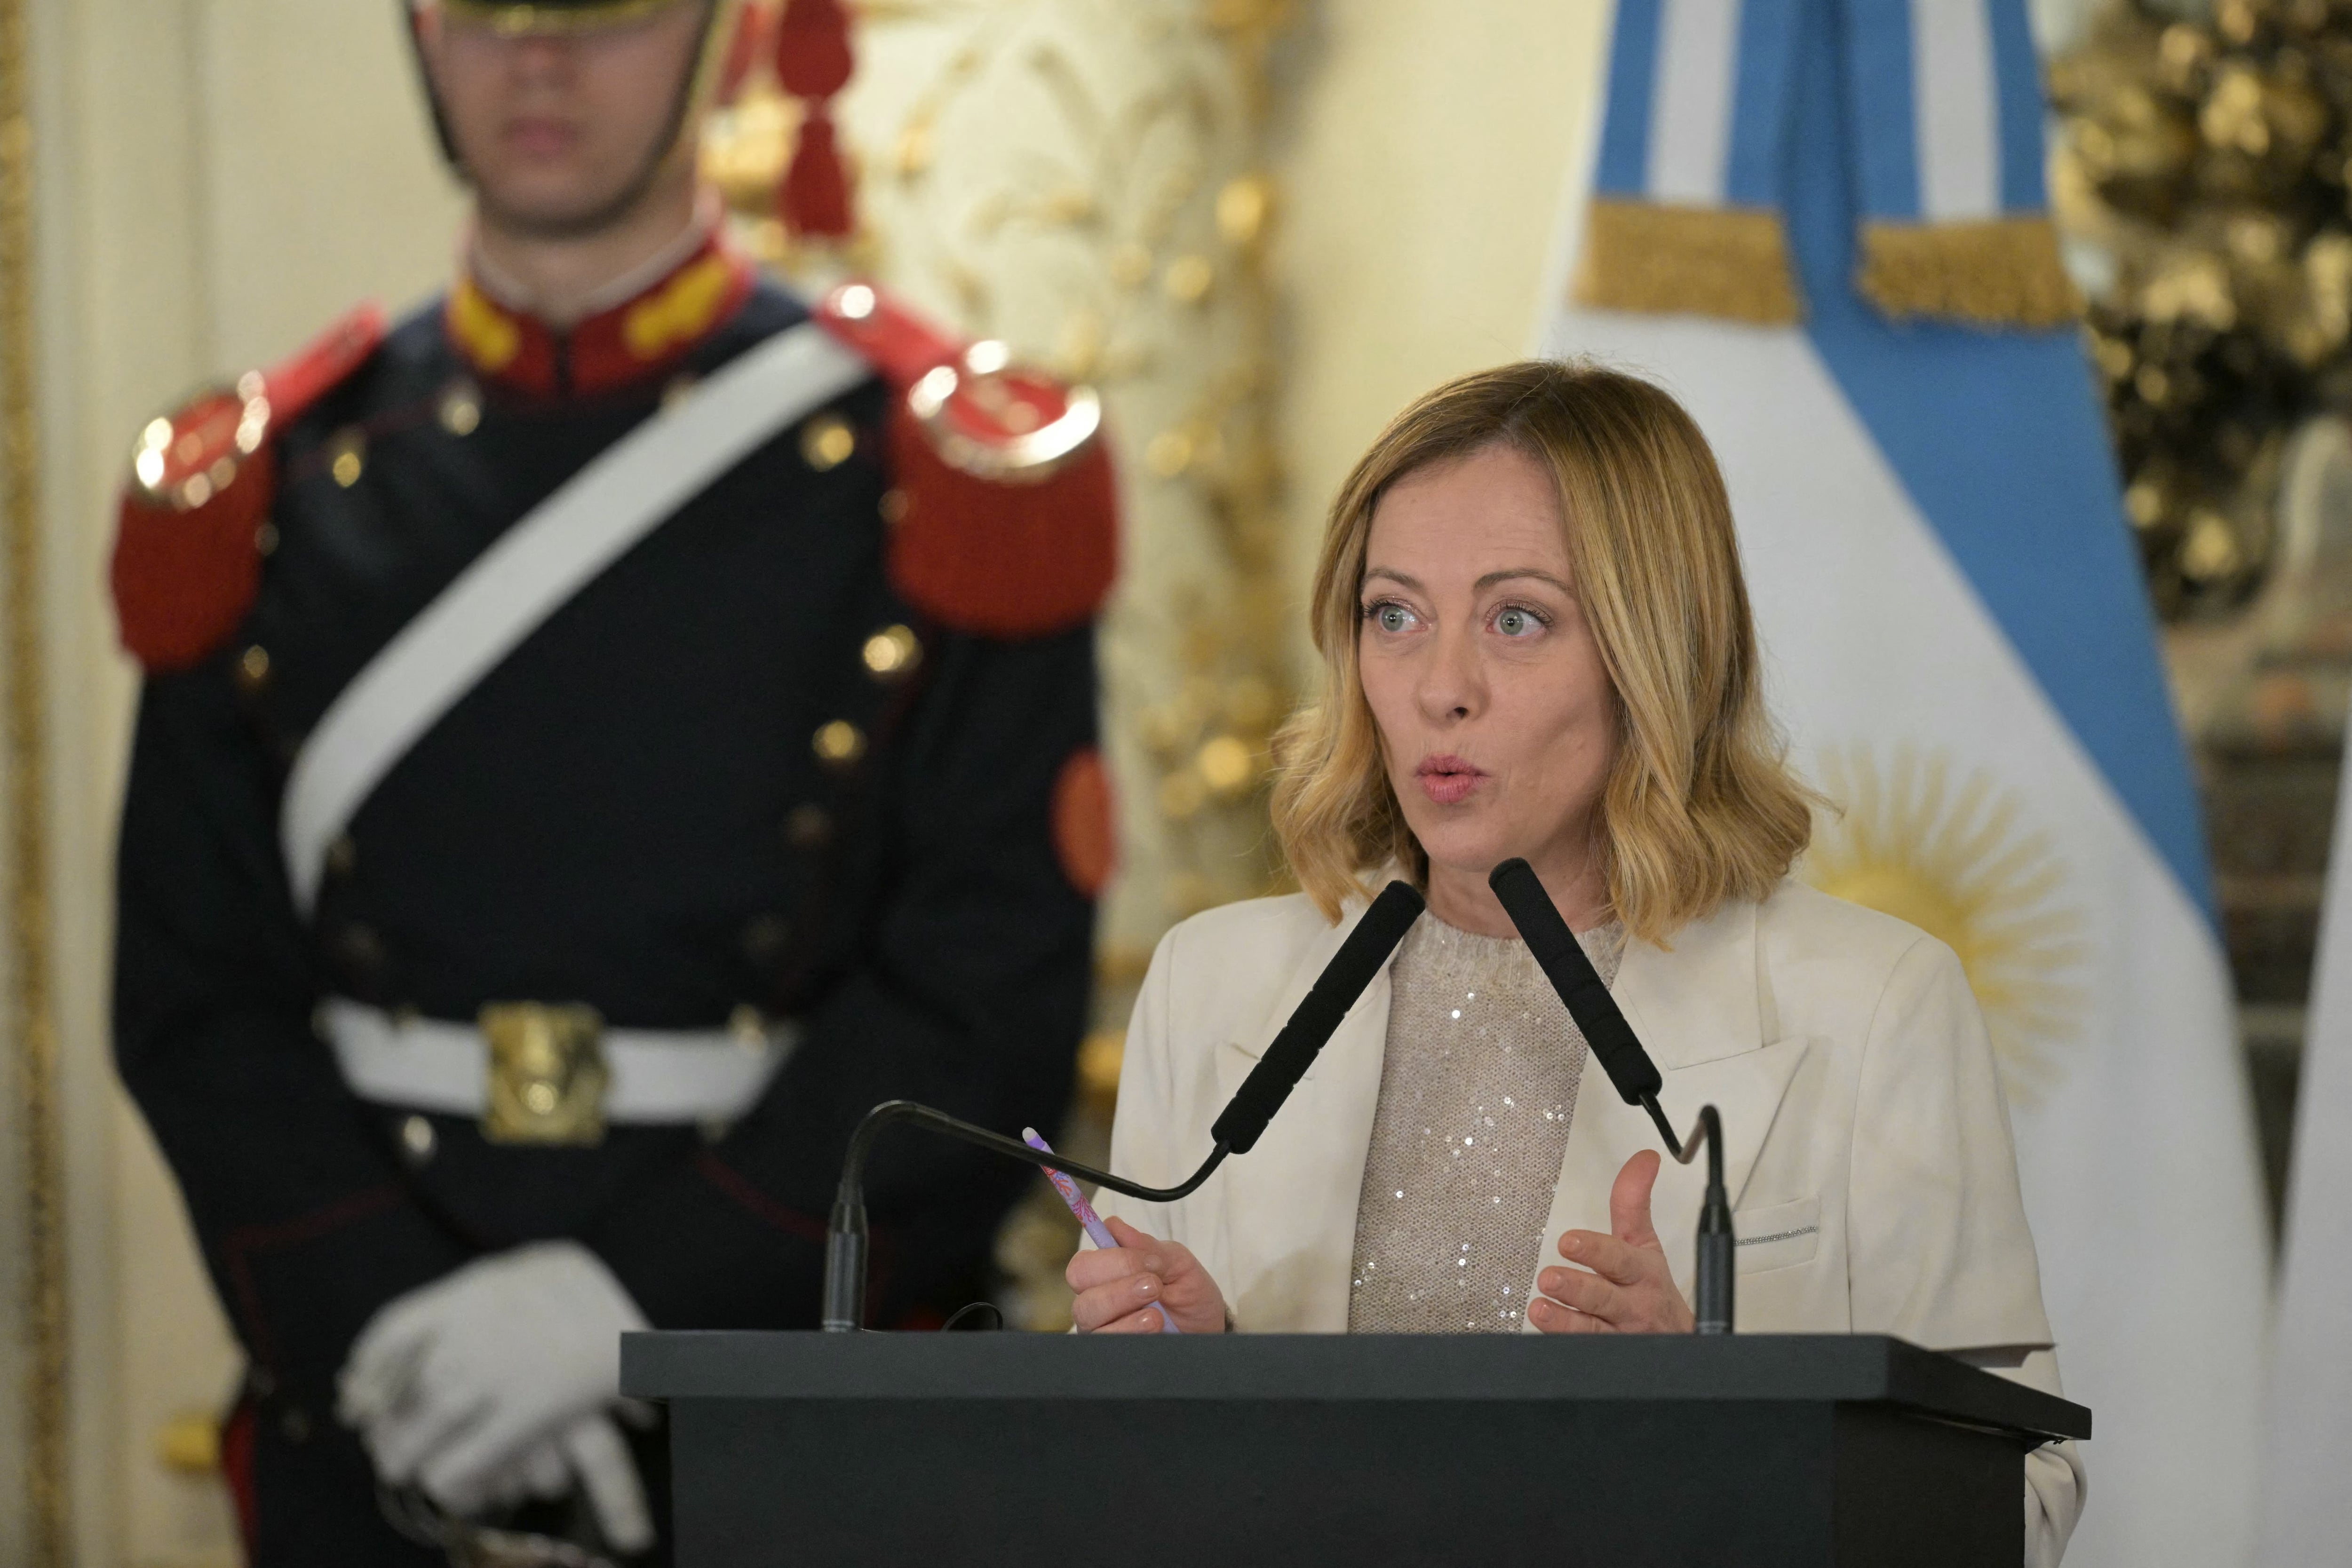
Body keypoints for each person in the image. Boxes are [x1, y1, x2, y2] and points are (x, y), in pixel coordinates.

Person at [109, 0, 1115, 1562]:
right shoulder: (269, 487)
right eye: (486, 16)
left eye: (606, 14)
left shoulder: (933, 468)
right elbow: (193, 996)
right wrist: (404, 1334)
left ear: (727, 31)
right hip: (382, 1417)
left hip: (792, 1415)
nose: (541, 64)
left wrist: (629, 1311)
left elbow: (985, 992)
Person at [1069, 362, 2086, 1566]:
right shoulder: (1214, 983)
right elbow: (1114, 1490)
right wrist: (1187, 1373)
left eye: (1517, 619)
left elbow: (2018, 1497)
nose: (1440, 688)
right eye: (1393, 614)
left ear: (1653, 651)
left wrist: (1713, 1417)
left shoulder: (1870, 1002)